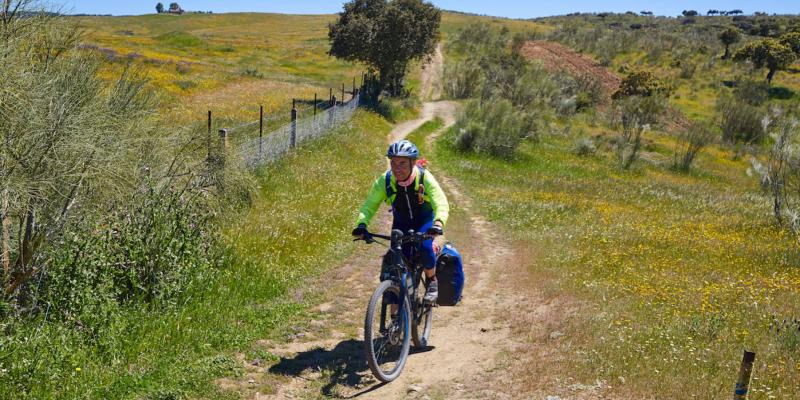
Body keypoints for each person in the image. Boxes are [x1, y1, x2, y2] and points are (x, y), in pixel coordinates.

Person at [352, 139, 449, 303]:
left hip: (424, 221)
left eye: (402, 163)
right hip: (401, 223)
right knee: (394, 263)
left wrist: (438, 223)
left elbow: (441, 202)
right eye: (393, 163)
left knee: (425, 247)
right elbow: (369, 205)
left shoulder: (424, 177)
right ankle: (396, 313)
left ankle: (432, 280)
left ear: (413, 163)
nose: (397, 168)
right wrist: (362, 224)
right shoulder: (385, 180)